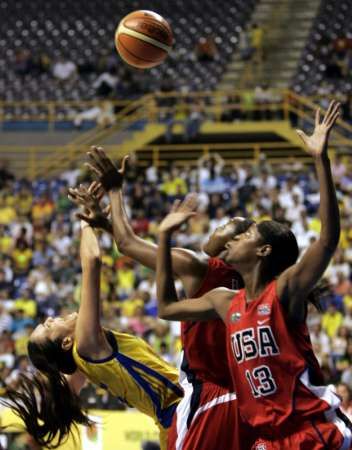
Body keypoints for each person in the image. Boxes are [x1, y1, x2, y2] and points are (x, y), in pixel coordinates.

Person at [155, 101, 352, 449]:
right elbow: (167, 308)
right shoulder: (224, 301)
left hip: (312, 430)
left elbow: (327, 239)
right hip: (267, 439)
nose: (234, 238)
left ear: (264, 251)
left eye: (246, 235)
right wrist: (164, 236)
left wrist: (319, 159)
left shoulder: (284, 291)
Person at [72, 148, 254, 449]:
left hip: (205, 396)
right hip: (243, 395)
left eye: (222, 227)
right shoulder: (252, 280)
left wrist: (116, 191)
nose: (214, 229)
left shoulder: (199, 266)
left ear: (234, 242)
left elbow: (126, 244)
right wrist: (108, 224)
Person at [1, 218, 182, 450]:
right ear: (66, 342)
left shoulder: (80, 362)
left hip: (174, 419)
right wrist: (85, 222)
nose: (48, 319)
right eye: (47, 327)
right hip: (177, 416)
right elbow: (93, 261)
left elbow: (64, 385)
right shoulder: (85, 346)